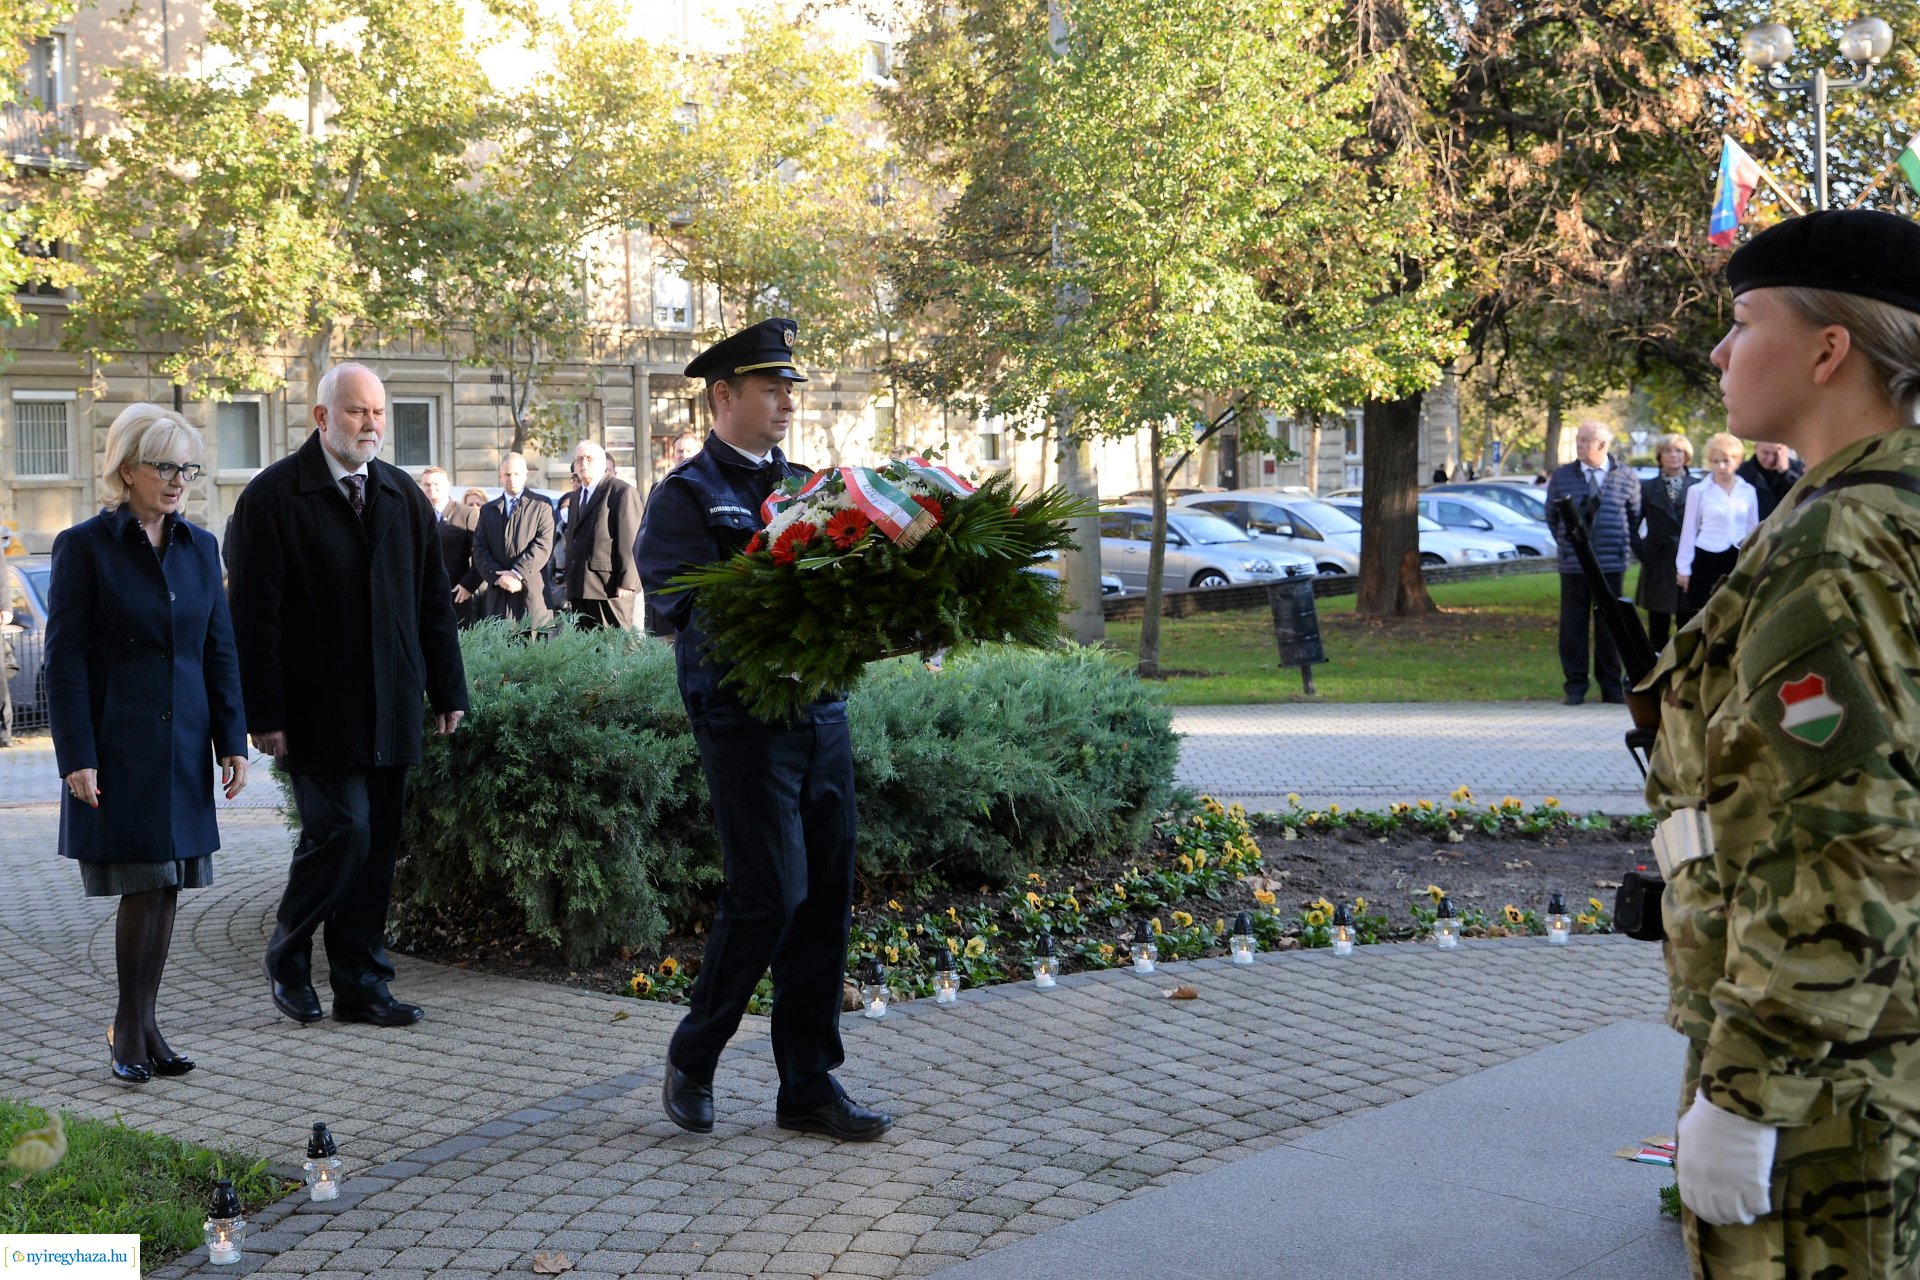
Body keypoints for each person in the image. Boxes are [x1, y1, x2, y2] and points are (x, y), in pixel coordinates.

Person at [1638, 208, 1920, 1278]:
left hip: (1833, 1081)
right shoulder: (1888, 507)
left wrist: (1747, 1091)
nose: (1718, 351)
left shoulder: (1837, 542)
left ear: (1828, 347)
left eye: (1744, 319)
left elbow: (1853, 842)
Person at [636, 317, 891, 1143]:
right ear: (724, 396)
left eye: (791, 389)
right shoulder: (685, 494)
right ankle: (696, 1049)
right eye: (771, 387)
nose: (787, 400)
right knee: (771, 892)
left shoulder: (816, 486)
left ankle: (808, 1086)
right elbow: (677, 606)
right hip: (743, 721)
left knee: (821, 900)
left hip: (821, 714)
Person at [227, 362, 468, 1028]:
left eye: (379, 413)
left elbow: (432, 606)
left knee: (377, 846)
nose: (371, 425)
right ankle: (288, 951)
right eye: (358, 412)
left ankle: (361, 985)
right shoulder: (272, 497)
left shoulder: (401, 495)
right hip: (314, 710)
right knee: (343, 831)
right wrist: (264, 713)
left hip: (392, 704)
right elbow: (254, 617)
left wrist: (448, 688)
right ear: (322, 417)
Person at [44, 404, 249, 1083]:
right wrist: (76, 755)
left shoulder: (201, 547)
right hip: (119, 745)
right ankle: (129, 1030)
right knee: (144, 882)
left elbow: (218, 650)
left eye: (186, 468)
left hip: (185, 742)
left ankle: (147, 1025)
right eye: (165, 466)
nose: (178, 480)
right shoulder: (84, 546)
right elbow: (64, 658)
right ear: (127, 469)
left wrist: (232, 739)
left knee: (169, 887)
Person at [1544, 421, 1641, 705]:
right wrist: (1566, 543)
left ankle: (1610, 686)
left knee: (1611, 626)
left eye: (1586, 440)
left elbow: (1634, 515)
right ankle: (1575, 686)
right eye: (1579, 439)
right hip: (1575, 565)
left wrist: (1621, 543)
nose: (1580, 444)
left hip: (1611, 563)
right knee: (1573, 625)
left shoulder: (1625, 476)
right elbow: (1552, 515)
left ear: (1603, 445)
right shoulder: (1563, 476)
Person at [1675, 432, 1760, 616]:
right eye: (1716, 461)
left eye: (1727, 460)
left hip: (1738, 558)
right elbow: (1688, 531)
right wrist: (1683, 568)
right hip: (1706, 557)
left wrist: (1755, 562)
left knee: (1736, 613)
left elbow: (1754, 530)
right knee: (1704, 614)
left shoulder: (1748, 491)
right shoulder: (1698, 491)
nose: (1721, 466)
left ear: (1737, 461)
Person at [563, 440, 644, 630]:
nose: (584, 464)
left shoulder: (621, 491)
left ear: (602, 462)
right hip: (579, 588)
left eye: (589, 459)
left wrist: (627, 582)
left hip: (609, 589)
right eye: (579, 459)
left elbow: (631, 540)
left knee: (614, 649)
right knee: (585, 652)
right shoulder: (575, 497)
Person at [1631, 433, 1700, 648]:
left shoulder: (1699, 487)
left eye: (1679, 451)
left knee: (1688, 624)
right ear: (1660, 456)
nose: (1673, 455)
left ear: (1687, 456)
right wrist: (1645, 554)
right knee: (1658, 627)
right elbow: (1632, 525)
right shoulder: (1647, 487)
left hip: (1689, 565)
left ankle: (1687, 674)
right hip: (1658, 563)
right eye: (1668, 451)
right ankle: (1657, 673)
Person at [471, 453, 554, 631]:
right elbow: (479, 549)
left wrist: (516, 573)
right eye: (507, 474)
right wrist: (499, 577)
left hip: (532, 594)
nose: (512, 479)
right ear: (500, 476)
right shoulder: (488, 510)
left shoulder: (541, 505)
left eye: (516, 474)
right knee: (500, 650)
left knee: (536, 651)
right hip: (499, 596)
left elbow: (543, 545)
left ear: (526, 475)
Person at [419, 466, 482, 628]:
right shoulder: (415, 513)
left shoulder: (466, 513)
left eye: (436, 483)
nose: (431, 488)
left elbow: (480, 554)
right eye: (427, 484)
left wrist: (468, 585)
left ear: (447, 485)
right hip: (423, 597)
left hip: (456, 596)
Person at [1734, 439, 1806, 520]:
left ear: (1785, 450)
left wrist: (1785, 473)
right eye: (1766, 452)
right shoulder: (1741, 471)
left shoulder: (1798, 469)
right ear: (1756, 448)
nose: (1770, 459)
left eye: (1776, 454)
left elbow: (1805, 495)